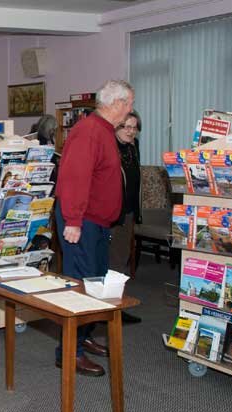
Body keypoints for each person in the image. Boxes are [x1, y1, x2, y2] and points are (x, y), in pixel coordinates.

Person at [54, 79, 134, 377]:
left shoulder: (103, 131)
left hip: (96, 222)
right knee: (79, 287)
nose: (130, 110)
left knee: (95, 285)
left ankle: (84, 338)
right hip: (82, 222)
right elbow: (75, 178)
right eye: (128, 104)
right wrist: (73, 221)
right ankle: (69, 353)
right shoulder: (89, 131)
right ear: (116, 104)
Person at [110, 111, 143, 324]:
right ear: (116, 127)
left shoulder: (134, 147)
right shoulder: (109, 147)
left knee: (121, 260)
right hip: (113, 212)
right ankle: (104, 309)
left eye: (134, 127)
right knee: (108, 260)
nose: (130, 131)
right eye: (126, 127)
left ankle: (116, 308)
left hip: (129, 211)